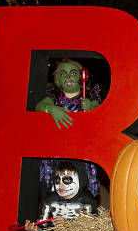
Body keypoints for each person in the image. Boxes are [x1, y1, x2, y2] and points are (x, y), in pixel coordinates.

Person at [36, 59, 102, 198]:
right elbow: (39, 106)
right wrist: (50, 109)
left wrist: (91, 108)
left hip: (81, 151)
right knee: (54, 190)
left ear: (81, 77)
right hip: (56, 152)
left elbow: (101, 111)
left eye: (72, 73)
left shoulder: (90, 97)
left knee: (79, 190)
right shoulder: (52, 97)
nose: (68, 77)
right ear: (57, 80)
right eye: (63, 74)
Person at [24, 161, 97, 231]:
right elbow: (42, 226)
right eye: (58, 180)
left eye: (67, 180)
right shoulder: (49, 199)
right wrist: (35, 229)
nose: (60, 185)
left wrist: (69, 226)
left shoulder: (87, 200)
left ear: (81, 180)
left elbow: (90, 230)